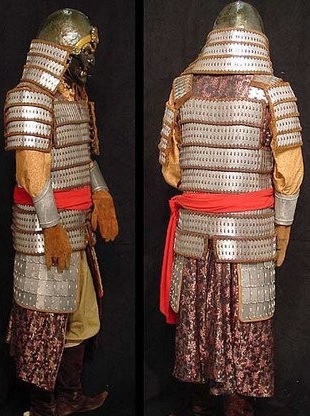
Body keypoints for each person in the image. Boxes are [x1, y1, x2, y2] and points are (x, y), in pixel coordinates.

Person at [158, 2, 304, 415]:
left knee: (199, 311)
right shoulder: (274, 91)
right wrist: (283, 226)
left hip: (194, 229)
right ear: (258, 40)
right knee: (243, 316)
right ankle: (235, 402)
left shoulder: (181, 90)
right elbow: (289, 170)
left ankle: (201, 397)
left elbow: (171, 167)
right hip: (249, 231)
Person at [4, 8, 119, 416]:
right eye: (85, 52)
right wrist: (51, 226)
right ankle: (42, 404)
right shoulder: (30, 97)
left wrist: (101, 193)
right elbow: (33, 173)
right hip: (44, 230)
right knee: (43, 320)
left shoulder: (75, 96)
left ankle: (68, 398)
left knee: (80, 315)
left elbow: (83, 157)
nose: (90, 61)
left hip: (76, 227)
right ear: (63, 52)